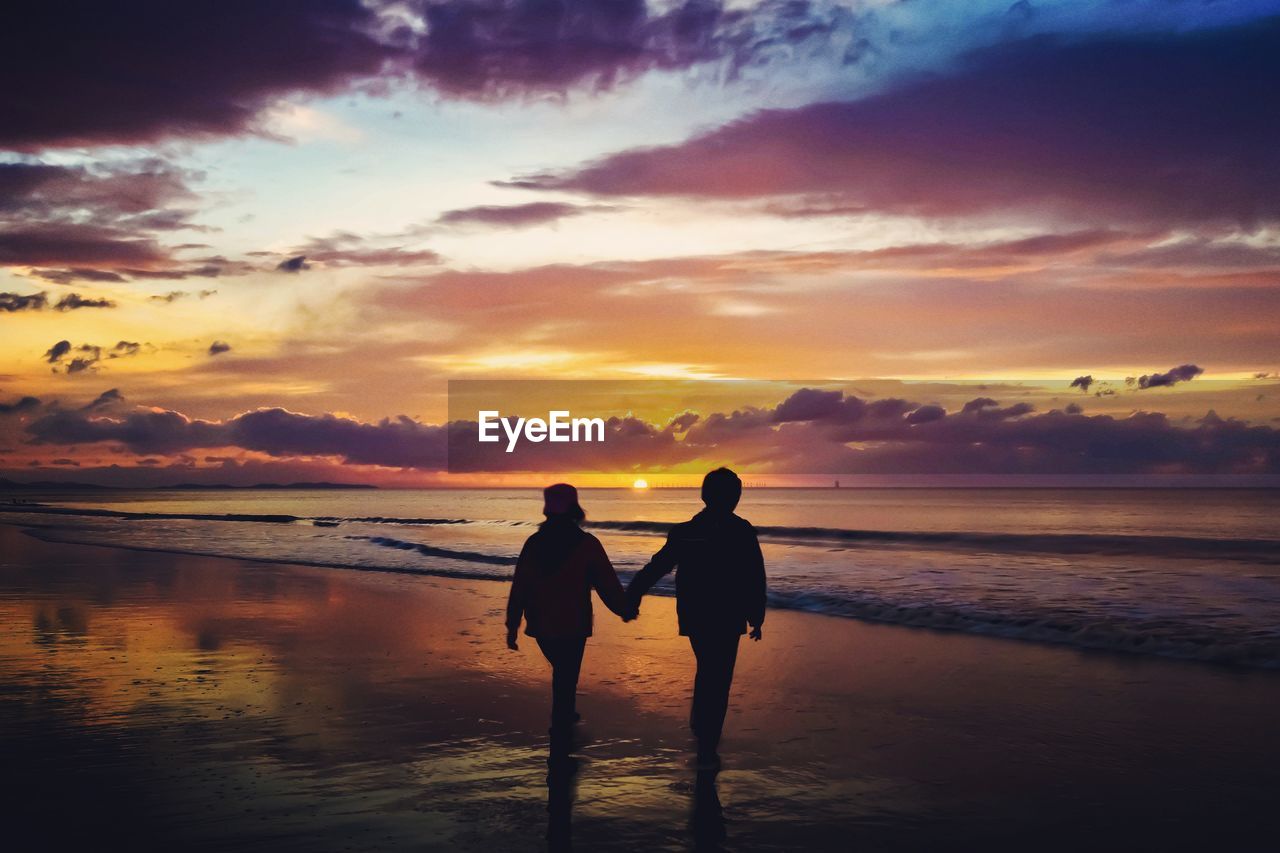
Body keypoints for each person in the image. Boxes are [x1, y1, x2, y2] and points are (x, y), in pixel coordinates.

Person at [627, 467, 766, 767]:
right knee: (719, 673)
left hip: (695, 612)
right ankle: (708, 735)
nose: (738, 496)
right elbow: (755, 577)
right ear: (733, 497)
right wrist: (757, 615)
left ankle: (703, 728)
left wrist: (634, 593)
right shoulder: (741, 531)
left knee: (708, 666)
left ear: (705, 496)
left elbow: (658, 566)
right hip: (728, 614)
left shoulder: (686, 532)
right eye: (736, 492)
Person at [506, 483, 636, 754]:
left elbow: (520, 586)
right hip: (574, 623)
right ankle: (561, 728)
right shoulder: (587, 544)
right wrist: (624, 609)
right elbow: (607, 584)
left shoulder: (534, 543)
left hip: (541, 623)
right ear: (575, 508)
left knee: (562, 671)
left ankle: (563, 719)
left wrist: (512, 625)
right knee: (567, 673)